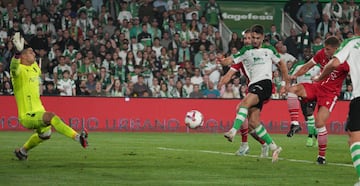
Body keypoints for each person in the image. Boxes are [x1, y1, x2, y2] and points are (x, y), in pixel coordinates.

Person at [10, 33, 88, 160]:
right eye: (30, 52)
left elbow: (32, 58)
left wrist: (25, 44)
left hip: (39, 110)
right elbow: (13, 68)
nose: (34, 54)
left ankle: (22, 152)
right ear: (23, 57)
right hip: (28, 115)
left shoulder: (35, 67)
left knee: (45, 135)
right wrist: (17, 53)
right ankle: (78, 137)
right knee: (51, 116)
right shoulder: (18, 72)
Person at [219, 25, 289, 162]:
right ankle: (274, 147)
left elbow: (282, 65)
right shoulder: (246, 51)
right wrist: (223, 60)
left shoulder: (269, 50)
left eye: (257, 38)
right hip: (253, 86)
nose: (255, 41)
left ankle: (233, 132)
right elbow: (230, 60)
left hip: (265, 84)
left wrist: (284, 84)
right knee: (253, 122)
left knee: (243, 105)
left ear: (262, 37)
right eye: (253, 38)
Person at [286, 36, 349, 164]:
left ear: (336, 49)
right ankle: (295, 124)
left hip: (330, 94)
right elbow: (307, 66)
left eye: (328, 49)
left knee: (319, 123)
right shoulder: (321, 54)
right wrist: (294, 75)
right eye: (325, 49)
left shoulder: (345, 61)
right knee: (293, 90)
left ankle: (321, 157)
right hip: (317, 87)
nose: (325, 52)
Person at [314, 17, 360, 185]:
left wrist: (320, 76)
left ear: (356, 27)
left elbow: (334, 63)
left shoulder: (352, 42)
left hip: (359, 97)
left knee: (354, 138)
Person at [217, 29, 269, 157]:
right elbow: (229, 73)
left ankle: (245, 145)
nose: (246, 41)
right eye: (244, 39)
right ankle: (264, 143)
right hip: (253, 88)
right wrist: (221, 83)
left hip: (263, 88)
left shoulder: (262, 52)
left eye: (249, 38)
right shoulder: (243, 56)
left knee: (241, 109)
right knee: (250, 125)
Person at [287, 47, 320, 147]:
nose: (307, 54)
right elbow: (291, 76)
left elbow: (322, 77)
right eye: (305, 52)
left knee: (309, 113)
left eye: (309, 52)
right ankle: (317, 136)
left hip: (312, 93)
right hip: (301, 94)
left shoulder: (317, 66)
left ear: (312, 54)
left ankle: (310, 137)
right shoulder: (298, 65)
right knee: (307, 116)